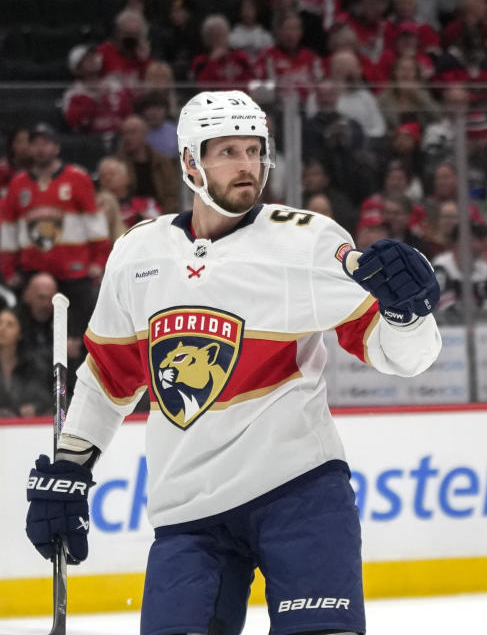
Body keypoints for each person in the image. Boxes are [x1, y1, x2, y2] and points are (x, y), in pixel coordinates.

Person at [23, 90, 442, 635]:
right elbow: (107, 379)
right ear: (190, 162)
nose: (247, 166)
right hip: (188, 511)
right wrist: (69, 467)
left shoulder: (307, 243)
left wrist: (407, 314)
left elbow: (402, 357)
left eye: (254, 150)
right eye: (228, 151)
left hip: (300, 490)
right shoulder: (138, 253)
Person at [0, 124, 110, 343]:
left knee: (77, 337)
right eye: (35, 144)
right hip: (34, 270)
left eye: (46, 143)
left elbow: (95, 224)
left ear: (57, 147)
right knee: (30, 336)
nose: (41, 149)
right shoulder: (18, 184)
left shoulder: (77, 178)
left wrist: (99, 260)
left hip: (75, 271)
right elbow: (9, 230)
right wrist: (8, 268)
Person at [0, 306, 51, 418]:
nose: (2, 328)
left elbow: (45, 398)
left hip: (25, 428)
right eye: (0, 323)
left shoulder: (33, 366)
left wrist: (36, 408)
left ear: (19, 333)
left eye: (10, 325)